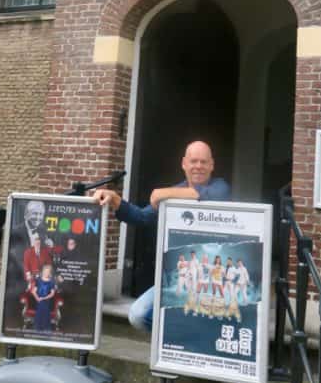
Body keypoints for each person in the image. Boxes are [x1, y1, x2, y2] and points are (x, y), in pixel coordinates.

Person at [93, 140, 230, 332]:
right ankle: (177, 342)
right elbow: (141, 217)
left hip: (210, 281)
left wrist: (161, 193)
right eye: (194, 161)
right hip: (178, 278)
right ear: (184, 163)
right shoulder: (174, 192)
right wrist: (115, 199)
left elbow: (204, 195)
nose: (198, 166)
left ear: (212, 165)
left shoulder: (221, 187)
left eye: (204, 162)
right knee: (138, 314)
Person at [31, 263, 57, 332]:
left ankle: (45, 328)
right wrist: (37, 298)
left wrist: (44, 298)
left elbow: (52, 294)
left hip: (47, 300)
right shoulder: (38, 280)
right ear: (42, 271)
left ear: (50, 273)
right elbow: (33, 291)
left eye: (48, 272)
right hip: (38, 300)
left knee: (44, 307)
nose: (46, 273)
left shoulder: (51, 282)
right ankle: (38, 328)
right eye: (45, 271)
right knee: (40, 306)